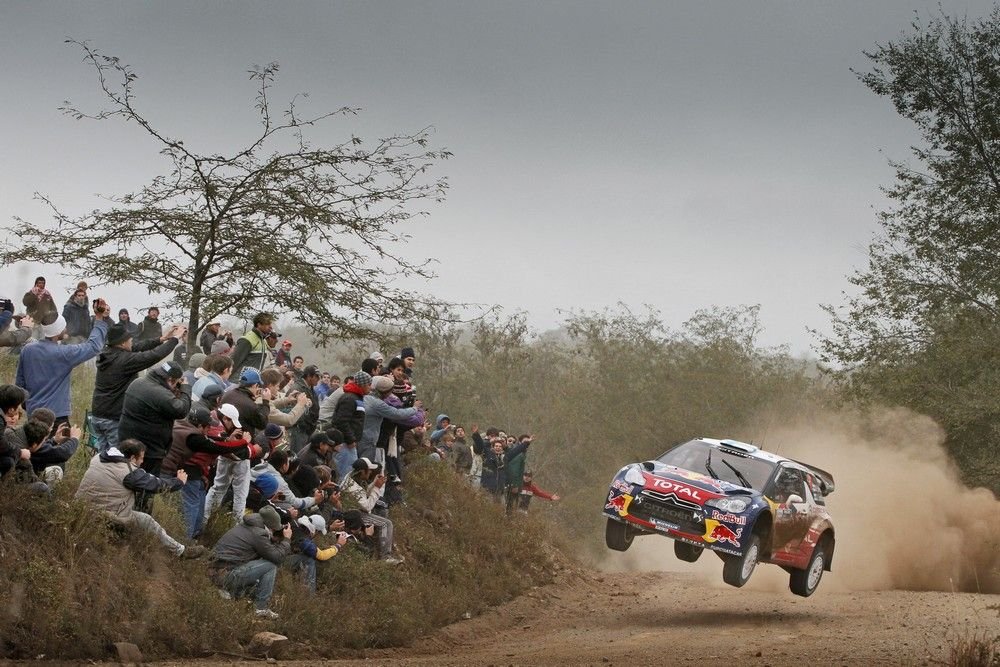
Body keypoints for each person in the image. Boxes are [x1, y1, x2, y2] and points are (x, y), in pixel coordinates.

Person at [75, 438, 206, 559]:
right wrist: (179, 482)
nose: (142, 462)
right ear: (132, 457)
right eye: (141, 458)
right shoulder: (129, 472)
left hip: (80, 508)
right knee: (146, 520)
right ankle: (180, 551)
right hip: (108, 515)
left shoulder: (98, 457)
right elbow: (157, 485)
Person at [161, 405, 257, 539]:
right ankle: (185, 540)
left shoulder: (185, 426)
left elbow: (214, 442)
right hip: (181, 472)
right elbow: (217, 447)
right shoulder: (194, 436)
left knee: (198, 506)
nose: (209, 429)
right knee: (191, 507)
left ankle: (194, 537)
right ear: (200, 425)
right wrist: (244, 442)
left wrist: (229, 440)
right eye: (207, 427)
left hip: (192, 472)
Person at [16, 298, 110, 430]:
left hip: (33, 413)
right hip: (57, 416)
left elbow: (20, 383)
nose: (66, 328)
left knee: (35, 449)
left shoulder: (28, 350)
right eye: (64, 326)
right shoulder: (64, 354)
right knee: (58, 449)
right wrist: (99, 318)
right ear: (58, 331)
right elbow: (93, 347)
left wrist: (28, 405)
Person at [91, 321, 185, 453]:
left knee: (103, 458)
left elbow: (137, 346)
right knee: (116, 461)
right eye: (130, 339)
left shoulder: (108, 353)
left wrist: (161, 339)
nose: (132, 342)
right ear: (123, 343)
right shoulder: (124, 361)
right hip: (113, 418)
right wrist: (175, 339)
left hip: (98, 414)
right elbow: (154, 355)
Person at [116, 360, 192, 503]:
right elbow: (181, 410)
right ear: (170, 380)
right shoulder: (159, 393)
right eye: (176, 383)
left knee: (124, 480)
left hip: (127, 442)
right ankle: (140, 516)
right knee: (146, 488)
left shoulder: (138, 383)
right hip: (148, 451)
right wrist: (186, 389)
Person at [209, 505, 290, 619]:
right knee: (270, 566)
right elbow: (277, 558)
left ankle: (228, 593)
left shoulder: (246, 526)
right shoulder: (259, 533)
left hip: (217, 571)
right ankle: (260, 608)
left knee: (255, 585)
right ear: (270, 526)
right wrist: (286, 540)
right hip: (226, 574)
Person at [341, 456, 402, 564]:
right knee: (386, 524)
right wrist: (377, 488)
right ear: (362, 471)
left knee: (382, 511)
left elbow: (363, 496)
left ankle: (388, 545)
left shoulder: (352, 477)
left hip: (357, 510)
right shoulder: (351, 487)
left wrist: (375, 483)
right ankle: (385, 557)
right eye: (368, 470)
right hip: (353, 515)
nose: (370, 473)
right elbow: (367, 506)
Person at [286, 514, 347, 593]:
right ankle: (309, 595)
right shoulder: (304, 542)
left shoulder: (295, 525)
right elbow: (322, 555)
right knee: (309, 559)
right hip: (280, 562)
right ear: (315, 531)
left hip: (279, 556)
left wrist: (330, 528)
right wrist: (338, 545)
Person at [230, 312, 273, 378]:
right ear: (259, 325)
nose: (271, 327)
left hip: (252, 383)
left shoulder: (263, 341)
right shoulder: (247, 339)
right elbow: (234, 362)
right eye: (267, 324)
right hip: (239, 382)